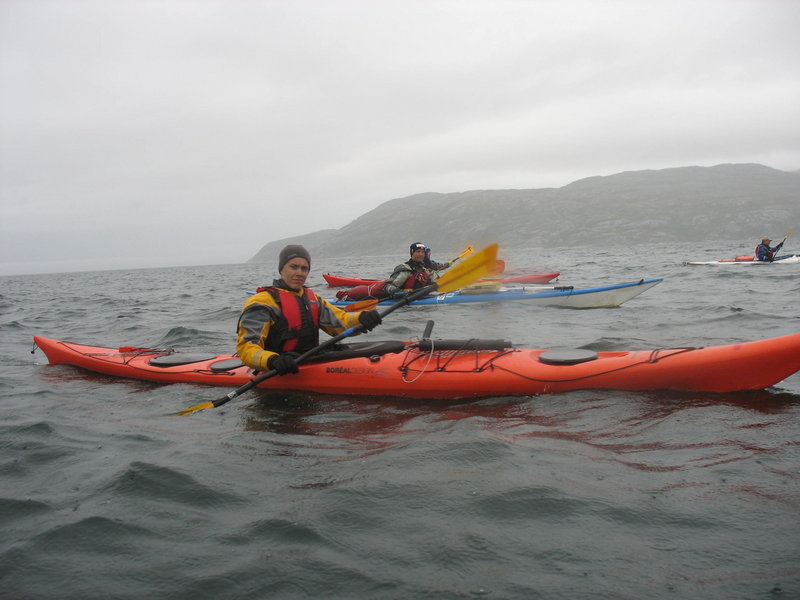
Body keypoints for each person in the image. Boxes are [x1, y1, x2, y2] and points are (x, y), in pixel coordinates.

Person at [236, 244, 382, 375]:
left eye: (304, 268)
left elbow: (341, 322)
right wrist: (273, 360)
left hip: (309, 361)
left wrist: (362, 319)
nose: (300, 273)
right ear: (281, 269)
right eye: (293, 267)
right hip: (277, 368)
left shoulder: (313, 299)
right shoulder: (262, 302)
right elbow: (246, 348)